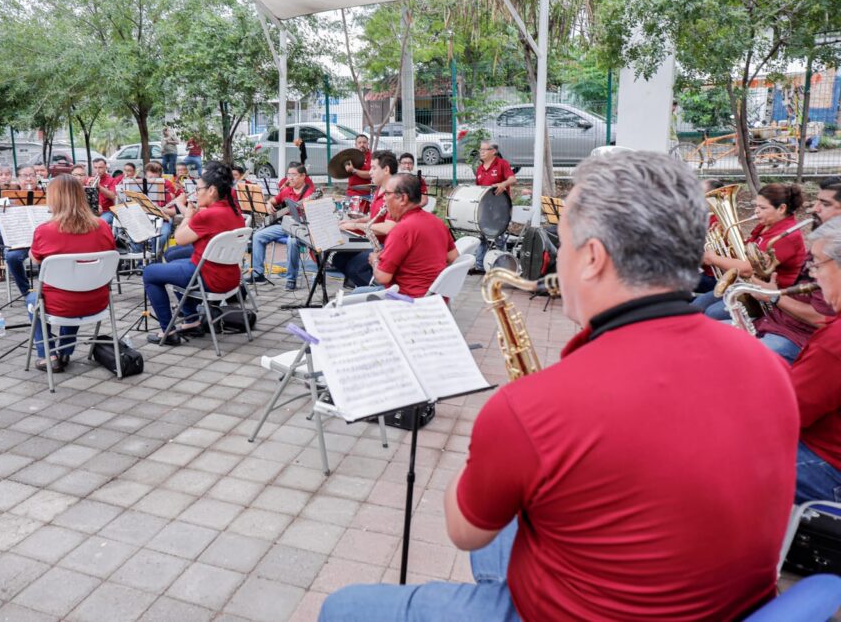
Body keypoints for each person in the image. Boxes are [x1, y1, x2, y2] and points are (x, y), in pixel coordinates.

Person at [319, 151, 799, 622]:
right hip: (720, 603)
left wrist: (489, 457)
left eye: (561, 245)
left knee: (341, 608)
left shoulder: (531, 408)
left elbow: (462, 532)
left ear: (592, 258)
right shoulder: (770, 368)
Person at [143, 162, 244, 346]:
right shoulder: (234, 210)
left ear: (212, 190)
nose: (196, 193)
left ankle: (168, 331)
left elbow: (180, 238)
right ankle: (192, 321)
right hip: (231, 277)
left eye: (198, 189)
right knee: (174, 261)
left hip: (209, 277)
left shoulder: (208, 215)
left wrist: (189, 215)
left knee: (150, 272)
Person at [742, 177, 841, 363]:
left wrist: (774, 296)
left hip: (795, 337)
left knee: (737, 359)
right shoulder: (825, 243)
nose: (814, 209)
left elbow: (822, 319)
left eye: (825, 204)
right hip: (773, 322)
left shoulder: (834, 257)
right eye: (817, 201)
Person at [25, 174, 116, 372]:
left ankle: (47, 354)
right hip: (97, 301)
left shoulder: (45, 230)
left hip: (62, 305)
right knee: (78, 282)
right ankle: (66, 351)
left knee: (34, 299)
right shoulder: (102, 226)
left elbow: (35, 258)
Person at [693, 182, 806, 320]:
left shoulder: (786, 236)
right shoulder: (765, 226)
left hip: (766, 298)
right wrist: (724, 237)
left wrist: (713, 258)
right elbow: (744, 252)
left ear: (781, 208)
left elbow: (748, 269)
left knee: (711, 313)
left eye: (762, 207)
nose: (756, 211)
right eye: (756, 206)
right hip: (746, 286)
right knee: (696, 306)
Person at [792, 217, 841, 503]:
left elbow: (789, 414)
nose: (813, 276)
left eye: (817, 265)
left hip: (827, 464)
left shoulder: (834, 343)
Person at [363, 172, 456, 298]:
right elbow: (453, 257)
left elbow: (382, 277)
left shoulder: (401, 230)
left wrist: (374, 260)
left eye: (387, 193)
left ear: (403, 199)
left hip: (407, 300)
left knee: (350, 297)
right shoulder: (437, 222)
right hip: (436, 299)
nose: (384, 198)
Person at [332, 151, 398, 289]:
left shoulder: (394, 193)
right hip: (374, 241)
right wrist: (354, 222)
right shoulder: (379, 188)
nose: (370, 172)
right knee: (338, 259)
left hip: (388, 246)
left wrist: (355, 225)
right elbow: (375, 216)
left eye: (374, 168)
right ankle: (362, 287)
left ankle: (381, 293)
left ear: (386, 170)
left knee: (354, 268)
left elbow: (388, 228)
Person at [248, 162, 315, 290]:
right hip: (285, 225)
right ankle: (258, 274)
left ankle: (291, 279)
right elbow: (272, 200)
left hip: (302, 229)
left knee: (292, 241)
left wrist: (305, 207)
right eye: (288, 174)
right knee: (258, 235)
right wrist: (268, 204)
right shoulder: (286, 190)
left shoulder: (310, 193)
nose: (290, 178)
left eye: (294, 175)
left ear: (303, 176)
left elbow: (311, 216)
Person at [470, 141, 516, 275]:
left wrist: (503, 184)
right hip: (484, 207)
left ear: (493, 151)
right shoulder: (479, 169)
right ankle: (479, 266)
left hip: (500, 208)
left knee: (499, 237)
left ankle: (502, 267)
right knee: (482, 236)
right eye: (480, 150)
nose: (481, 152)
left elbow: (513, 179)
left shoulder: (502, 164)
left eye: (485, 149)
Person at [1, 166, 47, 293]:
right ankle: (26, 291)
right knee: (11, 257)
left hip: (43, 239)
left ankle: (47, 291)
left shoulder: (46, 194)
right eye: (24, 176)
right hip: (21, 239)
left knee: (49, 256)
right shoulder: (10, 197)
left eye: (32, 175)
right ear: (18, 179)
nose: (29, 179)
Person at [695, 178, 725, 293]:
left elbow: (706, 258)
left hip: (715, 278)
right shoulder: (706, 217)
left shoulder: (717, 222)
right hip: (706, 272)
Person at [92, 157, 123, 226]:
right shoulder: (90, 180)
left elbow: (113, 196)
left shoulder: (111, 180)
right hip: (92, 212)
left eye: (100, 167)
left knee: (99, 223)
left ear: (105, 168)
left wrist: (99, 187)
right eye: (95, 167)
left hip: (107, 212)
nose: (97, 170)